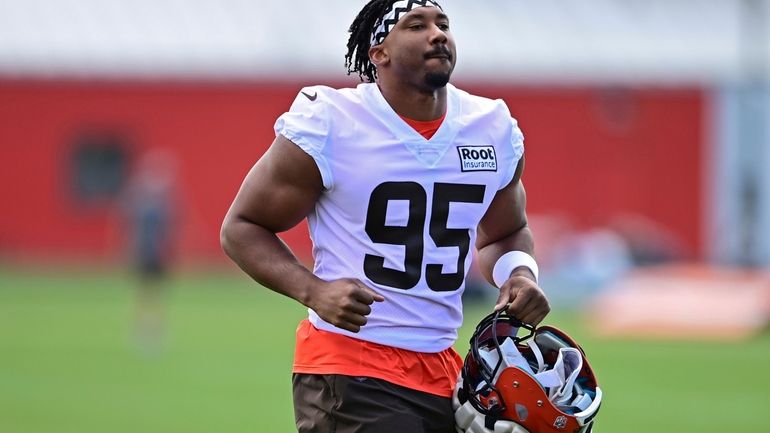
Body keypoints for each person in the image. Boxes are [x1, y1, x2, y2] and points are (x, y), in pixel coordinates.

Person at [220, 1, 550, 432]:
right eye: (416, 25)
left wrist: (520, 274)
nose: (437, 34)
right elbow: (242, 227)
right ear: (379, 53)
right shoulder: (332, 122)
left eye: (443, 24)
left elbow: (505, 234)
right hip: (351, 362)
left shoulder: (490, 127)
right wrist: (313, 291)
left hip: (446, 368)